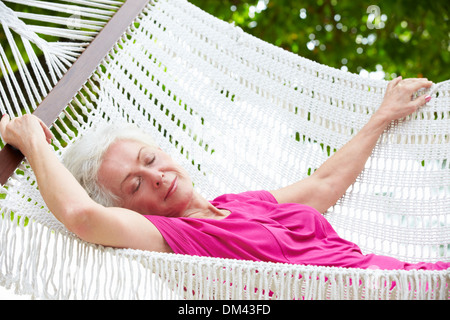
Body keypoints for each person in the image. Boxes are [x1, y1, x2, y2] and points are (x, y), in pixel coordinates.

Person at [1, 77, 448, 271]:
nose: (154, 176)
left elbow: (323, 185)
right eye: (134, 184)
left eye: (151, 160)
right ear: (125, 210)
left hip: (411, 275)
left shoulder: (241, 204)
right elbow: (81, 217)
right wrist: (32, 140)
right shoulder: (172, 238)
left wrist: (381, 116)